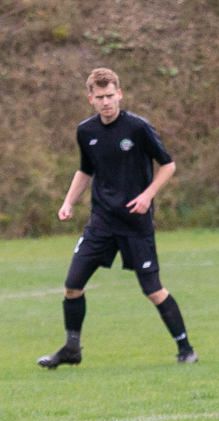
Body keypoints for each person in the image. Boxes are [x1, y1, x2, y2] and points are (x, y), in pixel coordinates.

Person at [38, 68, 197, 368]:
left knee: (153, 291)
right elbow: (86, 170)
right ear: (91, 99)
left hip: (135, 224)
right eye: (100, 97)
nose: (106, 102)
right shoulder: (86, 132)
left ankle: (186, 349)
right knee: (72, 285)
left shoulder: (138, 128)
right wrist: (68, 201)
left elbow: (167, 165)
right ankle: (72, 348)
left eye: (110, 95)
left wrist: (148, 195)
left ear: (119, 94)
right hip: (101, 221)